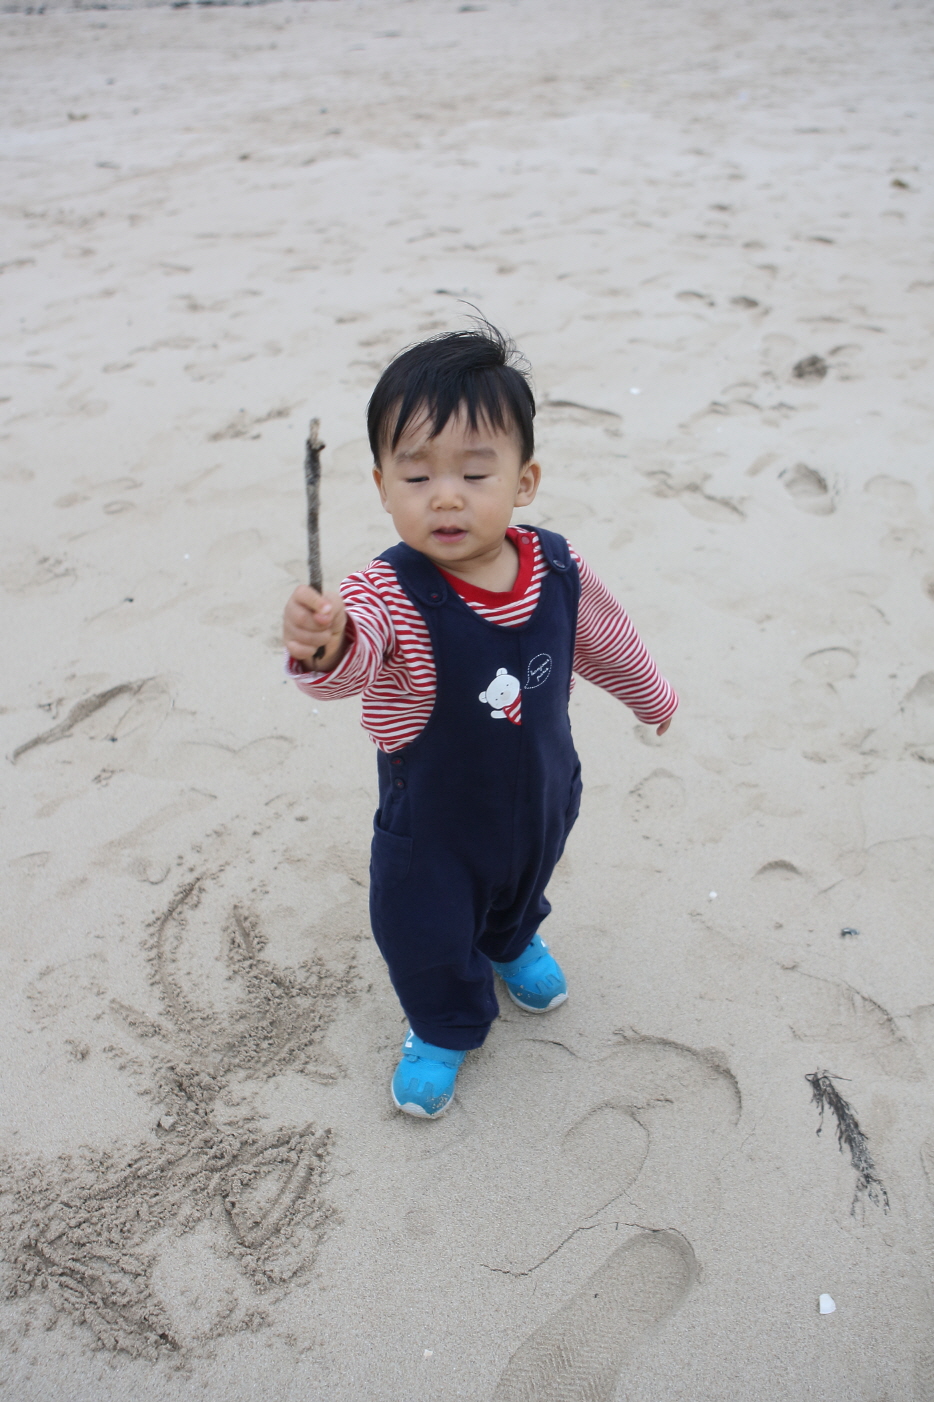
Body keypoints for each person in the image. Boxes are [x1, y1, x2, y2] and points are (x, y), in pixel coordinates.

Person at [282, 325, 677, 1119]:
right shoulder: (382, 595)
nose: (446, 496)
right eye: (417, 475)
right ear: (382, 486)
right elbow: (354, 663)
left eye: (473, 472)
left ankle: (511, 938)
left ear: (523, 481)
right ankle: (443, 1024)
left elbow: (603, 637)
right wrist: (325, 646)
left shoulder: (556, 565)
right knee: (425, 928)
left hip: (542, 790)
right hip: (433, 825)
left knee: (525, 877)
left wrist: (649, 694)